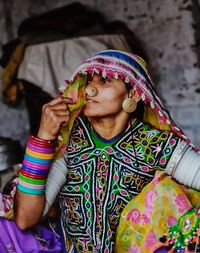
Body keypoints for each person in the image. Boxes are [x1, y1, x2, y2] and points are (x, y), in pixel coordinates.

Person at [14, 50, 200, 253]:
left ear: (133, 94)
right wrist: (43, 137)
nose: (90, 90)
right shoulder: (71, 140)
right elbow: (25, 218)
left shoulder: (154, 144)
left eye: (104, 82)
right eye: (88, 82)